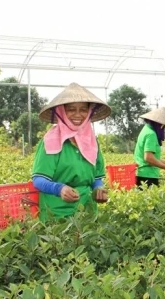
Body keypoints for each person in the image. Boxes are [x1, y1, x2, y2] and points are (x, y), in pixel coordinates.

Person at [31, 82, 111, 222]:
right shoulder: (51, 141)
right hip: (57, 213)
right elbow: (38, 180)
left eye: (83, 110)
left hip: (87, 210)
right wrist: (59, 189)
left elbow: (96, 177)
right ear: (62, 112)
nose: (78, 114)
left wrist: (98, 189)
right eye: (71, 109)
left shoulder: (92, 141)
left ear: (89, 112)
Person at [134, 108, 165, 187]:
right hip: (148, 177)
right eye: (164, 126)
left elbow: (153, 157)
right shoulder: (151, 134)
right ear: (160, 125)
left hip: (141, 175)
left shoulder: (145, 130)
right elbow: (148, 158)